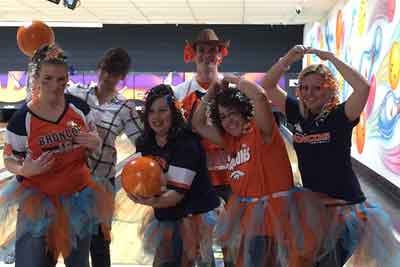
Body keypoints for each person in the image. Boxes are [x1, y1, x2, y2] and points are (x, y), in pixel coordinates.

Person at [261, 45, 400, 266]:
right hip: (311, 208)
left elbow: (363, 88)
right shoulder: (296, 113)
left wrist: (331, 58)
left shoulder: (340, 115)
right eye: (304, 88)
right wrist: (288, 58)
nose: (309, 93)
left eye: (317, 88)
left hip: (344, 210)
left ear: (329, 90)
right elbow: (267, 85)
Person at [192, 75, 329, 267]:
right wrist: (210, 95)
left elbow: (260, 97)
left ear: (243, 112)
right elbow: (198, 124)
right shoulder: (229, 141)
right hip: (251, 225)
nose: (229, 120)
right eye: (223, 116)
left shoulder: (262, 131)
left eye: (233, 113)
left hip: (277, 223)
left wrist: (234, 79)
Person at [0, 44, 111, 267]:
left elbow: (93, 142)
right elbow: (9, 159)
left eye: (61, 80)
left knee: (78, 263)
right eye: (48, 78)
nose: (55, 86)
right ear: (37, 79)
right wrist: (24, 169)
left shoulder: (80, 109)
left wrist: (95, 143)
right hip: (38, 201)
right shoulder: (22, 119)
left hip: (78, 198)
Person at [66, 47, 143, 267]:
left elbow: (142, 141)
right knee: (74, 240)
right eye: (106, 70)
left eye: (115, 73)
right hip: (73, 180)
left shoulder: (125, 107)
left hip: (102, 182)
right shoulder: (76, 94)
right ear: (99, 68)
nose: (108, 76)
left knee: (99, 242)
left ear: (122, 77)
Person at [128, 84, 220, 267]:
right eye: (152, 111)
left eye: (162, 110)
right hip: (167, 213)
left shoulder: (186, 143)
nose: (156, 117)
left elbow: (176, 196)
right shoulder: (145, 143)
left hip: (194, 214)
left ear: (173, 112)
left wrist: (144, 200)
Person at [174, 28, 233, 267]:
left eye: (212, 51)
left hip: (230, 179)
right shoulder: (179, 93)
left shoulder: (232, 90)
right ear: (193, 54)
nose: (207, 55)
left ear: (220, 55)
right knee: (199, 249)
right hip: (195, 180)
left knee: (232, 245)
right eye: (202, 50)